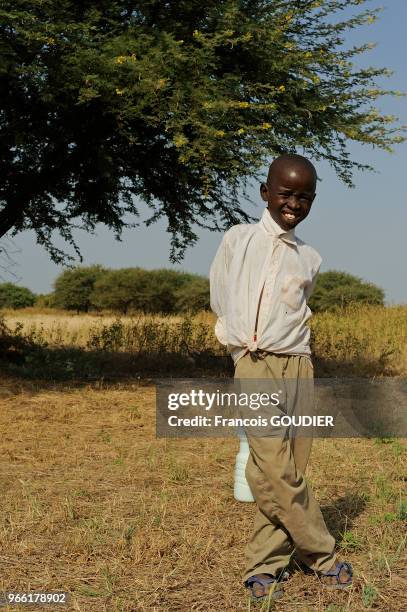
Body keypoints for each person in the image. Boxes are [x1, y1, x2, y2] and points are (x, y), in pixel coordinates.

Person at [209, 154, 353, 601]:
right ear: (266, 192)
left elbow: (299, 311)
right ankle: (321, 553)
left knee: (288, 466)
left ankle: (265, 565)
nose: (294, 203)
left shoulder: (310, 257)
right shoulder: (239, 239)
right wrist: (238, 349)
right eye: (286, 193)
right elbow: (221, 293)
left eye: (305, 196)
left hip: (299, 365)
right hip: (255, 363)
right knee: (273, 468)